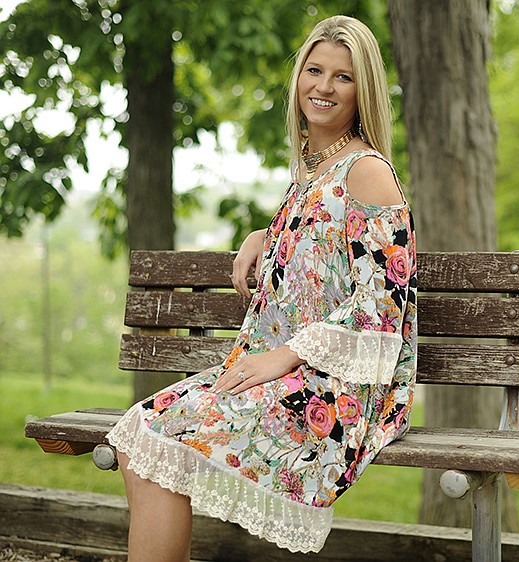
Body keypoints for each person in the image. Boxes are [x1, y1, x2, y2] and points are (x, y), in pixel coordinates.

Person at [107, 14, 417, 560]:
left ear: (362, 90)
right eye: (314, 71)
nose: (323, 87)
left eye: (342, 77)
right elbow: (326, 247)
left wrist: (284, 356)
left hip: (341, 386)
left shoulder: (366, 171)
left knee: (158, 439)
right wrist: (263, 233)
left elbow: (381, 307)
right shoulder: (312, 174)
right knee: (140, 430)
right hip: (295, 372)